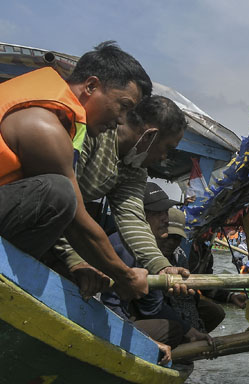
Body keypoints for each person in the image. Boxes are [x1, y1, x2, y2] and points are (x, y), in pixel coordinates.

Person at [0, 41, 151, 302]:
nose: (120, 120)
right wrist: (125, 276)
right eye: (123, 106)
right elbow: (77, 222)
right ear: (91, 86)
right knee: (59, 194)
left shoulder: (65, 122)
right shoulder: (44, 125)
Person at [50, 95, 191, 295]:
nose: (163, 158)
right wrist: (76, 260)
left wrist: (160, 266)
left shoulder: (135, 169)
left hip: (61, 231)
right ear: (150, 135)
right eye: (167, 148)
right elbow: (60, 202)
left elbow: (131, 217)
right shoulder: (92, 135)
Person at [100, 183, 210, 348]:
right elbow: (107, 306)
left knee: (182, 328)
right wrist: (148, 341)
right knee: (171, 330)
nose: (166, 218)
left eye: (165, 211)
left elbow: (153, 306)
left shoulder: (150, 254)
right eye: (158, 213)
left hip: (123, 314)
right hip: (103, 320)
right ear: (140, 216)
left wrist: (190, 331)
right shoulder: (122, 247)